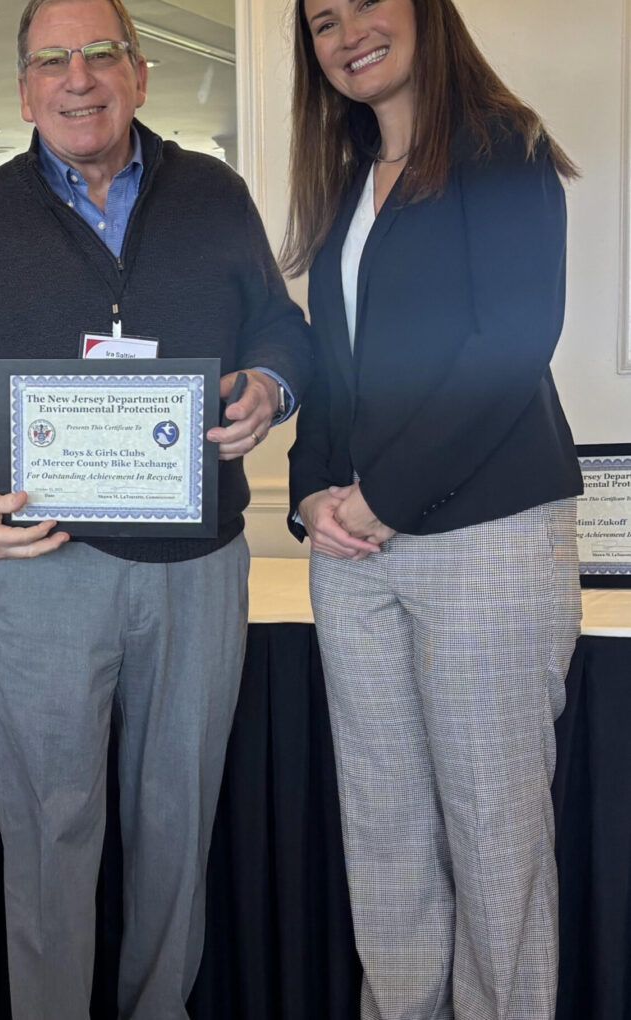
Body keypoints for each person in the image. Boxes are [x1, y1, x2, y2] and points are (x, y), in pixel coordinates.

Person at [0, 0, 312, 1015]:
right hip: (41, 567)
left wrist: (268, 383)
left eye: (97, 54)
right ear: (23, 88)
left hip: (194, 567)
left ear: (138, 73)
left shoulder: (212, 193)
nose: (75, 78)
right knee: (46, 824)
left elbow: (280, 327)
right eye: (51, 59)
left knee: (177, 819)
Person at [282, 0, 583, 1016]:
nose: (347, 30)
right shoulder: (343, 181)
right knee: (386, 838)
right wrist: (311, 495)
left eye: (365, 3)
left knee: (494, 845)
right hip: (356, 551)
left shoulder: (504, 146)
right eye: (320, 19)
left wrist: (380, 499)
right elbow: (333, 367)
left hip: (485, 538)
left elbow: (507, 344)